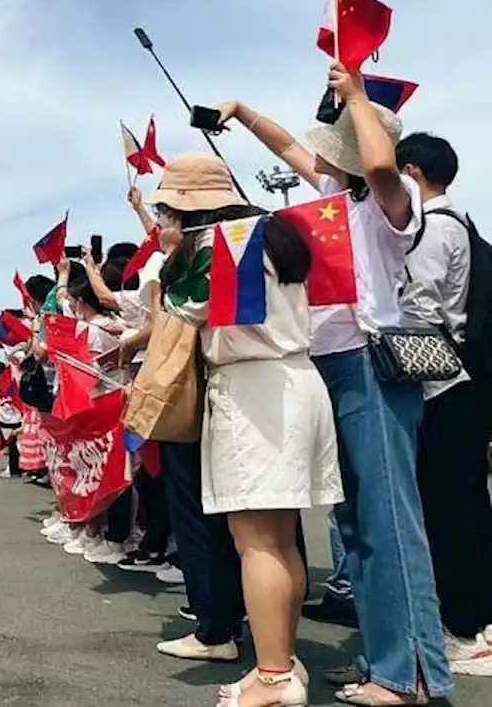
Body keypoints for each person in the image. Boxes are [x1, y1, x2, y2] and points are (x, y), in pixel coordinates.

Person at [218, 62, 453, 704]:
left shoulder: (389, 203)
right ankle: (385, 662)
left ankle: (410, 676)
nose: (317, 159)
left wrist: (355, 99)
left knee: (388, 522)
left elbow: (379, 168)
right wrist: (241, 110)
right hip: (327, 367)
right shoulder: (333, 193)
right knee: (353, 524)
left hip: (369, 368)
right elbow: (291, 147)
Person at [153, 153, 343, 706]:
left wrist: (173, 254)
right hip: (298, 379)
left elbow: (180, 307)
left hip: (252, 389)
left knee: (255, 543)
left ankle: (274, 676)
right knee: (282, 541)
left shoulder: (219, 244)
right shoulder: (275, 232)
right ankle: (282, 656)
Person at [396, 132, 492, 675]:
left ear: (411, 171)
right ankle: (473, 620)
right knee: (465, 503)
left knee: (450, 508)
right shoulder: (466, 226)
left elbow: (419, 307)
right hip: (463, 381)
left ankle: (467, 628)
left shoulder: (433, 227)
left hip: (440, 383)